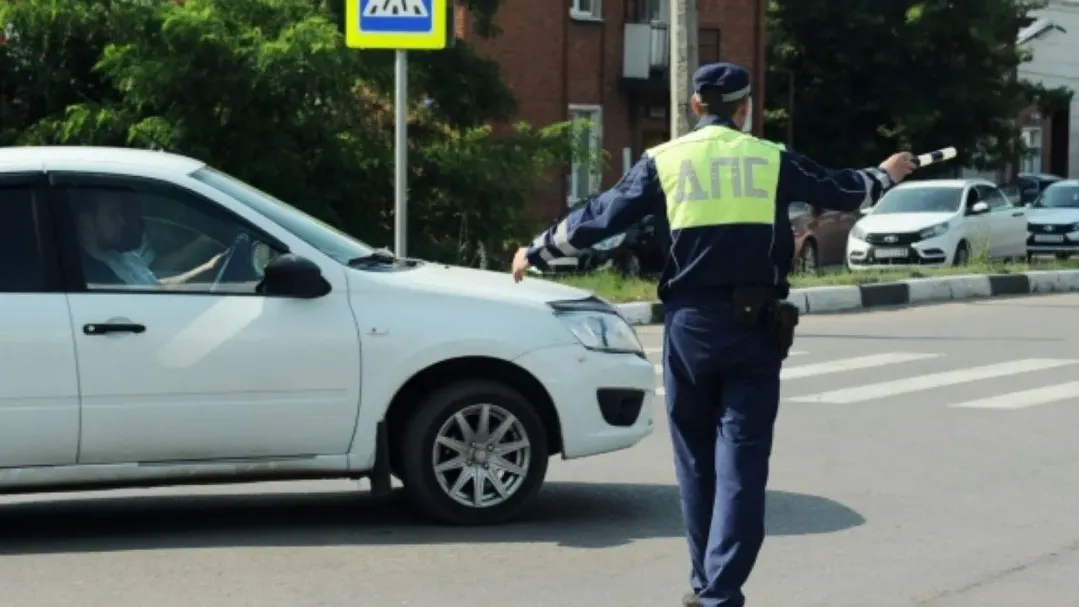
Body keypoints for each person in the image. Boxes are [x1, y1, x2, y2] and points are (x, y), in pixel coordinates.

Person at [510, 62, 916, 607]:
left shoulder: (664, 160)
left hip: (690, 328)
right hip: (754, 330)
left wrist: (537, 250)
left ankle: (706, 583)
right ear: (745, 108)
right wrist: (888, 172)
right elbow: (845, 190)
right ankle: (720, 591)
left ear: (695, 105)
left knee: (695, 462)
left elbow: (600, 216)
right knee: (742, 464)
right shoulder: (770, 158)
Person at [74, 190, 224, 288]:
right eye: (113, 215)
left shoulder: (119, 255)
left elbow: (155, 288)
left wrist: (209, 268)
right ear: (87, 222)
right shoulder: (97, 279)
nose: (123, 222)